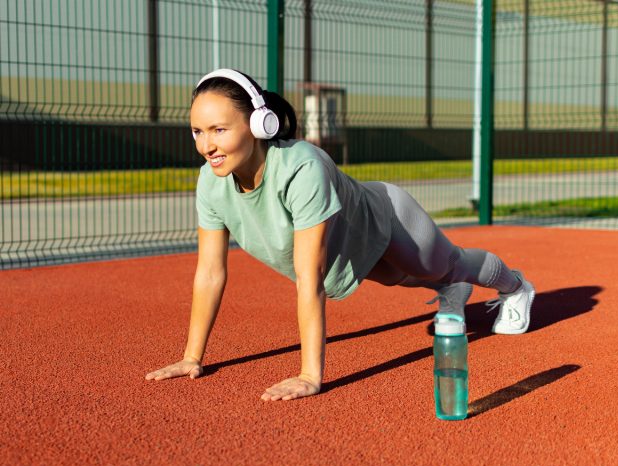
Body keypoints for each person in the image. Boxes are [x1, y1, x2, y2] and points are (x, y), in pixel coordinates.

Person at [145, 68, 535, 401]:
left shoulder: (302, 168)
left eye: (218, 129)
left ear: (260, 124)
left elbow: (309, 276)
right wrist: (192, 356)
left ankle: (515, 286)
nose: (206, 145)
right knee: (401, 277)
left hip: (388, 218)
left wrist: (310, 375)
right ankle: (453, 288)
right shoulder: (210, 183)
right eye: (197, 131)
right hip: (352, 247)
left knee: (447, 263)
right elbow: (210, 273)